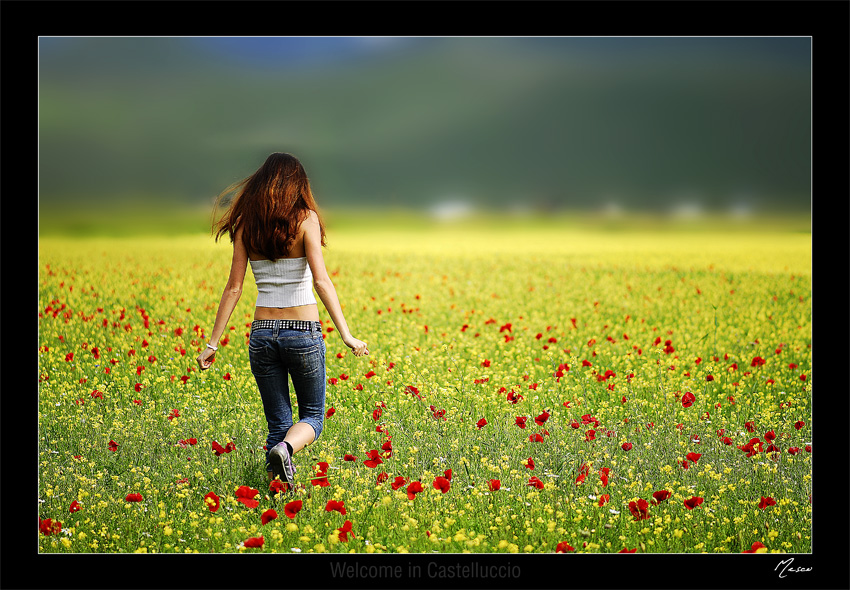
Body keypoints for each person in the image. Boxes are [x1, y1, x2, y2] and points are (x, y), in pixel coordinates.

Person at [196, 152, 369, 490]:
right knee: (313, 419)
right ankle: (287, 450)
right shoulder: (307, 220)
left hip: (261, 335)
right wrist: (346, 334)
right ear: (298, 185)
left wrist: (211, 344)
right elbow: (321, 281)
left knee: (278, 424)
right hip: (303, 332)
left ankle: (278, 493)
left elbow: (233, 287)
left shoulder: (247, 224)